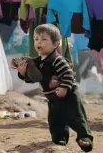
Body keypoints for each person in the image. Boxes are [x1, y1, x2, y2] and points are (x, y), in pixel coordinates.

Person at [15, 24, 93, 152]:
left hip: (68, 96)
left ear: (55, 43)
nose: (39, 42)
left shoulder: (58, 60)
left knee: (76, 117)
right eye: (36, 39)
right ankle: (59, 139)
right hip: (52, 97)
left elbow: (68, 74)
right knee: (55, 120)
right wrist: (23, 72)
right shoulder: (37, 62)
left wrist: (64, 87)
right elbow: (34, 78)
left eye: (44, 39)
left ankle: (84, 137)